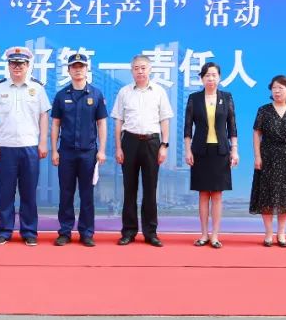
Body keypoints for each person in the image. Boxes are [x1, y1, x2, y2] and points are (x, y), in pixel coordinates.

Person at [0, 46, 51, 246]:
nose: (17, 67)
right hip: (5, 147)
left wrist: (43, 142)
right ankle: (5, 231)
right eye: (13, 63)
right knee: (6, 192)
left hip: (30, 146)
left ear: (28, 65)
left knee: (29, 192)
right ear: (8, 66)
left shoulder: (37, 88)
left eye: (21, 64)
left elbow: (44, 115)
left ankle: (29, 231)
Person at [112, 54, 174, 247]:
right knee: (129, 189)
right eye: (136, 68)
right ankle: (129, 231)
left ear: (150, 69)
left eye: (143, 68)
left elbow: (165, 120)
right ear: (132, 71)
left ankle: (151, 233)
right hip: (129, 141)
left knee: (150, 190)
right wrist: (118, 147)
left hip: (152, 143)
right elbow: (118, 121)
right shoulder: (124, 92)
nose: (140, 71)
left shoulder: (159, 92)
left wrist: (164, 145)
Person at [50, 53, 107, 247]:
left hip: (88, 153)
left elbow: (102, 124)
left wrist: (102, 150)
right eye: (74, 66)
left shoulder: (96, 94)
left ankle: (86, 232)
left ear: (86, 69)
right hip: (66, 152)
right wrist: (54, 150)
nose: (78, 70)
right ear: (68, 70)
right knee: (66, 193)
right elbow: (55, 125)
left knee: (87, 195)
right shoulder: (61, 95)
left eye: (81, 66)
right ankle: (65, 232)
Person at [183, 62, 239, 249]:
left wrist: (234, 149)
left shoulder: (226, 97)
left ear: (219, 78)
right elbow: (187, 127)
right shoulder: (194, 99)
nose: (211, 78)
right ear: (202, 78)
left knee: (217, 194)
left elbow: (232, 126)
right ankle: (204, 234)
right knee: (203, 194)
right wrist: (188, 150)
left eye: (214, 75)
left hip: (221, 151)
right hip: (200, 150)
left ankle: (215, 235)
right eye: (207, 75)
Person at [250, 75, 286, 248]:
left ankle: (281, 234)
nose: (277, 91)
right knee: (266, 195)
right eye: (274, 88)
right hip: (267, 155)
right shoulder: (263, 110)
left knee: (285, 196)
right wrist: (257, 156)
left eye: (280, 88)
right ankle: (268, 233)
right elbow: (256, 134)